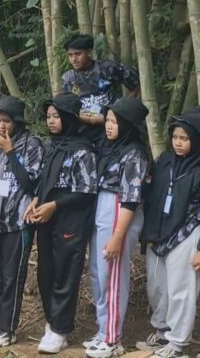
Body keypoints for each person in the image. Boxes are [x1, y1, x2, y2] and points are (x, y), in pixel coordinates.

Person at [26, 92, 97, 354]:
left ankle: (60, 329)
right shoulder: (52, 147)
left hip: (70, 218)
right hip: (46, 217)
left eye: (56, 116)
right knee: (45, 272)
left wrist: (54, 206)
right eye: (48, 116)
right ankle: (52, 321)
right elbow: (46, 181)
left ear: (69, 118)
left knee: (65, 273)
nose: (51, 121)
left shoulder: (83, 150)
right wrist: (37, 199)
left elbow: (86, 191)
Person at [0, 96, 44, 348]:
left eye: (7, 121)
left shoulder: (32, 145)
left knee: (11, 277)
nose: (1, 126)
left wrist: (11, 151)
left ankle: (7, 328)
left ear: (18, 122)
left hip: (17, 221)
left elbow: (31, 183)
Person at [84, 97, 150, 358]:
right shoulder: (111, 148)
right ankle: (104, 331)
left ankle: (112, 339)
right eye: (108, 121)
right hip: (103, 208)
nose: (108, 126)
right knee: (98, 273)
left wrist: (117, 237)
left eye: (114, 122)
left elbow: (131, 198)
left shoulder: (134, 153)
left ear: (128, 124)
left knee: (112, 275)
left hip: (119, 210)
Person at [138, 111, 200, 358]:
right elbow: (150, 193)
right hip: (159, 230)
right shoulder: (164, 160)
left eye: (184, 138)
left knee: (180, 289)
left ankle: (177, 345)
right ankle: (163, 332)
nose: (178, 143)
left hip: (188, 232)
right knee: (157, 287)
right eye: (175, 137)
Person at [60, 34, 141, 146]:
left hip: (111, 128)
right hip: (83, 131)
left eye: (78, 54)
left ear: (88, 52)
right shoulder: (68, 78)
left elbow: (136, 84)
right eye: (70, 55)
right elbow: (66, 107)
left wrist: (120, 110)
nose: (74, 59)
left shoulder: (108, 68)